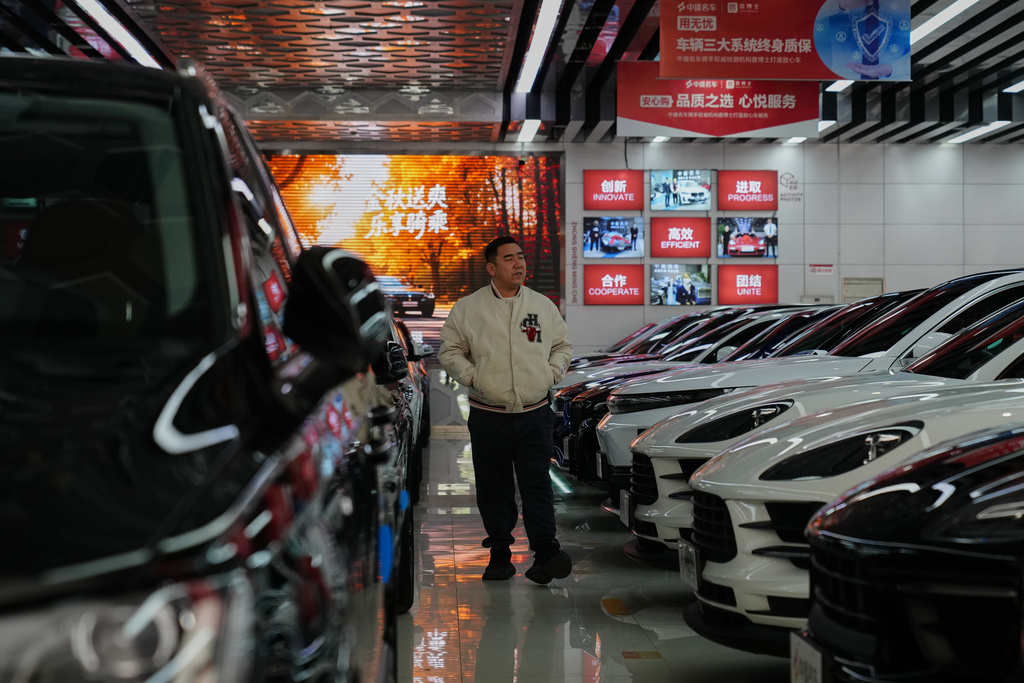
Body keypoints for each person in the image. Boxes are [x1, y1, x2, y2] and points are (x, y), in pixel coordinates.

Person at [439, 236, 574, 584]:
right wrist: (473, 377)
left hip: (534, 412)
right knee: (493, 486)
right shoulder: (468, 308)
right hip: (490, 414)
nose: (519, 264)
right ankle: (500, 554)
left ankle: (546, 553)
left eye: (521, 257)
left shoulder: (541, 306)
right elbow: (450, 351)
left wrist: (552, 372)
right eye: (509, 258)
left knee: (537, 485)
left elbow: (561, 345)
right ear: (491, 267)